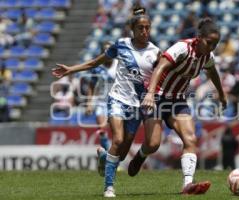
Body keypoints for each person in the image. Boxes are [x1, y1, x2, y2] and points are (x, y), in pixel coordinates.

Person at [52, 6, 160, 197]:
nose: (145, 31)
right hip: (117, 99)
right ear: (132, 30)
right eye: (141, 28)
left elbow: (160, 78)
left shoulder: (156, 52)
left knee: (123, 152)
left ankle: (105, 157)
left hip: (138, 106)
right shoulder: (121, 45)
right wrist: (70, 69)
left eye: (147, 28)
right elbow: (95, 62)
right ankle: (109, 187)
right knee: (117, 139)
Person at [128, 17, 227, 195]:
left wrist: (221, 93)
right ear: (199, 37)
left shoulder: (207, 57)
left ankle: (187, 184)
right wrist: (150, 94)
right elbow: (160, 68)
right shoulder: (182, 48)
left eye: (215, 44)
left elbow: (213, 72)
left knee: (190, 139)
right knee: (153, 144)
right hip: (157, 97)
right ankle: (141, 155)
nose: (212, 47)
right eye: (209, 42)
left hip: (178, 100)